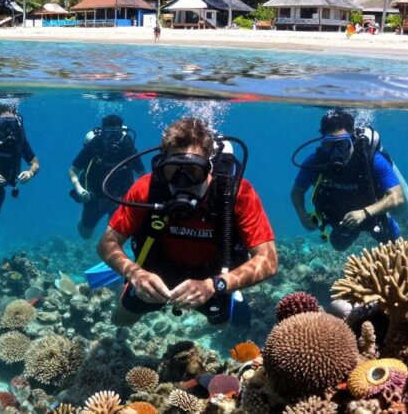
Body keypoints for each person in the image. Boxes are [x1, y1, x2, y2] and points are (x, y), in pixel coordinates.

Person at [97, 118, 278, 327]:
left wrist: (214, 285)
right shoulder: (146, 188)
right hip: (157, 268)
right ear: (161, 165)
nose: (183, 181)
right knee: (121, 319)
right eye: (172, 170)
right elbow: (106, 243)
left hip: (213, 273)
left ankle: (232, 295)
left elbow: (268, 260)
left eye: (193, 171)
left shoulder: (237, 193)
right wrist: (134, 273)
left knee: (220, 324)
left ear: (208, 167)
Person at [291, 109, 406, 252]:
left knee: (395, 247)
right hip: (344, 218)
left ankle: (388, 220)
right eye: (329, 145)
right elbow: (297, 191)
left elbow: (397, 196)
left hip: (372, 213)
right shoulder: (315, 161)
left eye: (342, 145)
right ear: (322, 142)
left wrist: (364, 213)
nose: (336, 153)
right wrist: (301, 213)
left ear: (351, 139)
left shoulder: (371, 158)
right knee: (338, 245)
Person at [68, 115, 144, 239]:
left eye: (117, 135)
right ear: (103, 133)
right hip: (95, 193)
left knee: (115, 234)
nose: (113, 139)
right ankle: (83, 219)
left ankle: (109, 248)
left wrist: (136, 195)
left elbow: (141, 174)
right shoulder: (95, 144)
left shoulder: (127, 144)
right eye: (109, 134)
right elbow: (72, 170)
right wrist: (79, 189)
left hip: (120, 195)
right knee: (85, 234)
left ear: (122, 132)